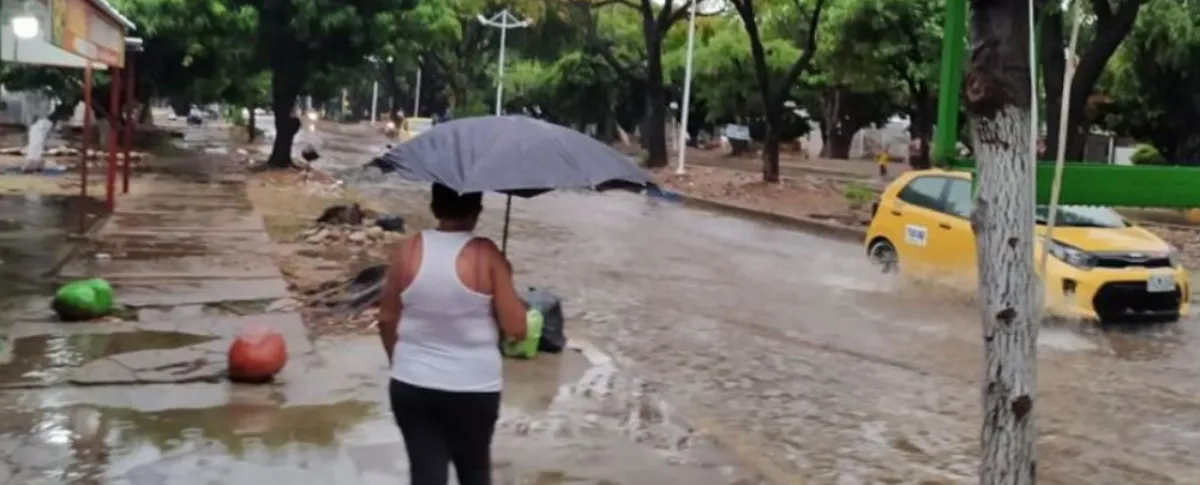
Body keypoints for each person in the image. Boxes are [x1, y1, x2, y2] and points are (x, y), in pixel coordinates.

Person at [377, 183, 527, 485]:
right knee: (474, 472)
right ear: (477, 210)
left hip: (412, 383)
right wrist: (505, 280)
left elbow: (386, 319)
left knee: (426, 474)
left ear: (434, 208)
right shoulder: (488, 255)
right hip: (474, 388)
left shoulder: (407, 250)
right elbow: (517, 329)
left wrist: (399, 361)